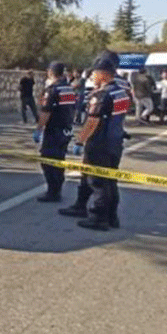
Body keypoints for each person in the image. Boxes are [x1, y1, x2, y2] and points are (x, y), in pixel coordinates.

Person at [60, 58, 129, 230]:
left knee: (97, 182)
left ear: (104, 75)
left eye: (95, 73)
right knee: (110, 181)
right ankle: (112, 216)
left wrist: (80, 140)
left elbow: (92, 121)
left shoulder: (102, 94)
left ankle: (99, 218)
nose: (92, 77)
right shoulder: (121, 92)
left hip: (100, 144)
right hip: (115, 142)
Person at [34, 62, 77, 202]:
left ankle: (52, 192)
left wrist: (38, 130)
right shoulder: (69, 89)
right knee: (59, 161)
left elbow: (46, 112)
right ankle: (57, 189)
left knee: (48, 161)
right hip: (66, 129)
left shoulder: (52, 90)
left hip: (54, 130)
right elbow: (73, 109)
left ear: (51, 72)